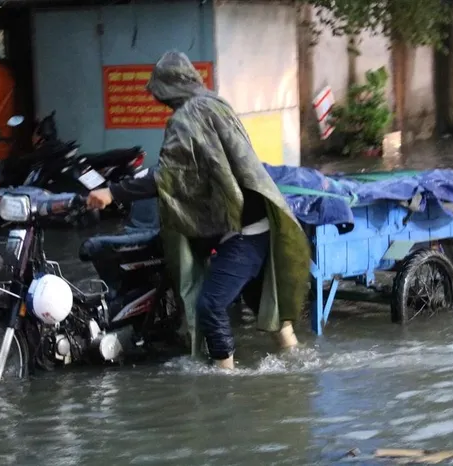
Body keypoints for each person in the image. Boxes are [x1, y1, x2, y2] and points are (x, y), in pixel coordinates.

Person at [87, 50, 311, 370]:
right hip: (258, 223)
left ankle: (225, 380)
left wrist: (113, 192)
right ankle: (299, 364)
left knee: (210, 306)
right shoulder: (215, 104)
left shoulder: (187, 118)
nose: (157, 101)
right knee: (268, 308)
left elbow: (168, 177)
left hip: (242, 233)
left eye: (158, 94)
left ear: (167, 89)